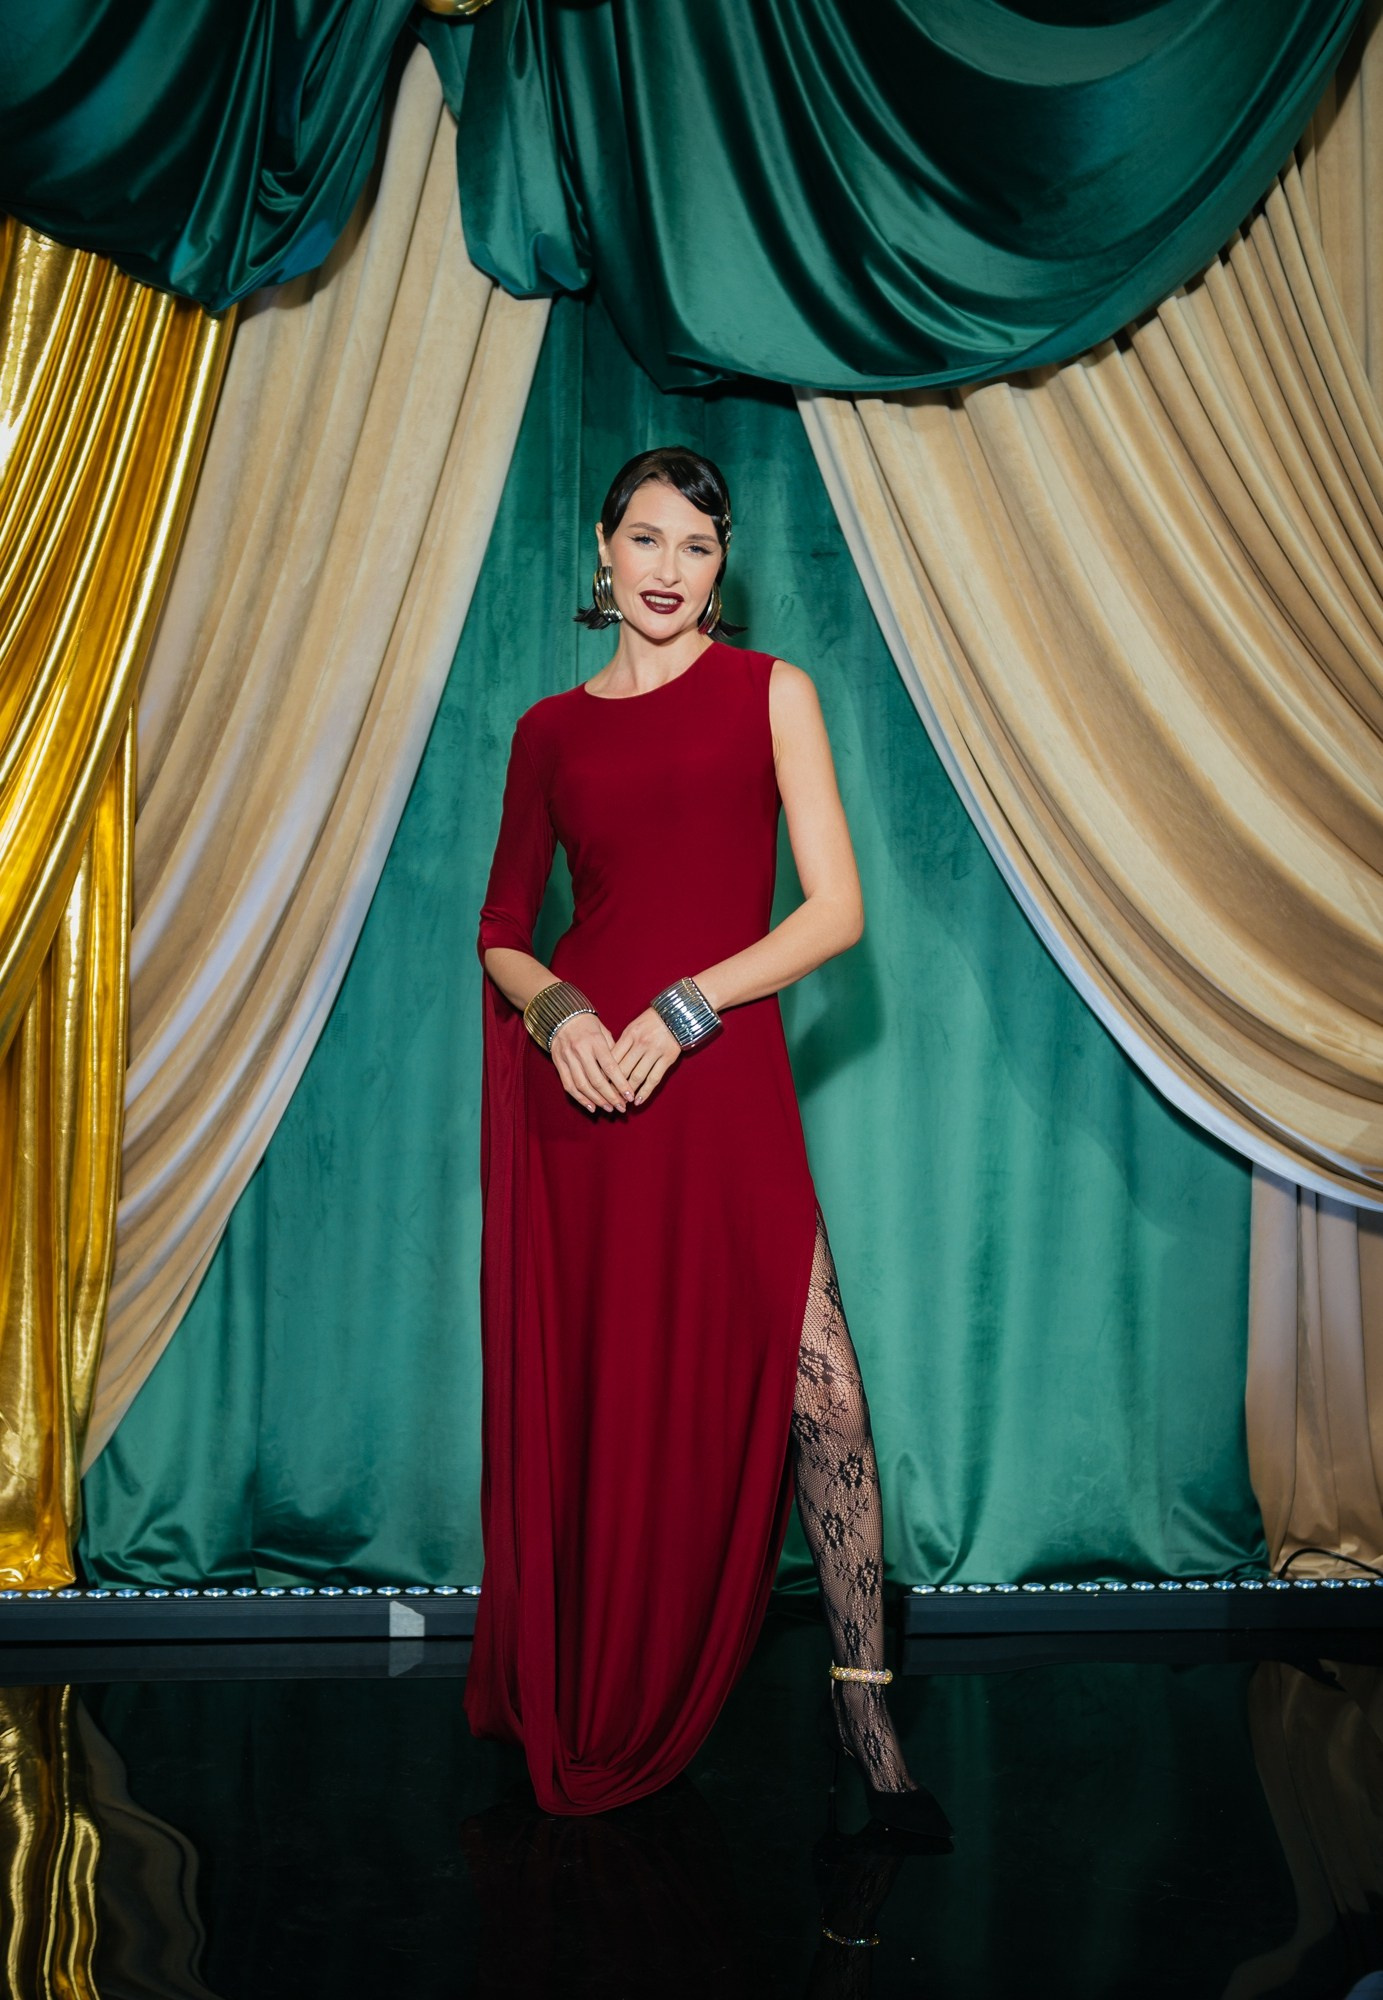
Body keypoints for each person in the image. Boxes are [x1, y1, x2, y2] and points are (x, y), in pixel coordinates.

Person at [466, 444, 949, 1840]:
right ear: (601, 549)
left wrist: (686, 1009)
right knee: (613, 1403)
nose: (670, 568)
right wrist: (559, 1013)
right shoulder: (549, 732)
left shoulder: (770, 693)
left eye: (697, 544)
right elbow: (503, 929)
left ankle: (866, 1710)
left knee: (826, 1401)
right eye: (647, 539)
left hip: (717, 1079)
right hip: (592, 1102)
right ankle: (605, 1668)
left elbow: (834, 912)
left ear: (721, 565)